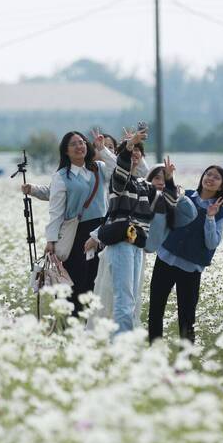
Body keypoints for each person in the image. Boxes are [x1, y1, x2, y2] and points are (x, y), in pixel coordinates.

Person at [41, 130, 143, 317]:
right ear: (66, 151)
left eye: (81, 142)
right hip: (76, 232)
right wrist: (51, 240)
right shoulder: (62, 176)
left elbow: (120, 169)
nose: (79, 146)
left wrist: (102, 148)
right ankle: (69, 323)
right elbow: (56, 211)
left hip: (100, 230)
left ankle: (92, 324)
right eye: (73, 144)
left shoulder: (99, 167)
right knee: (74, 281)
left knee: (98, 279)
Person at [84, 133, 178, 336]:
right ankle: (121, 347)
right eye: (131, 153)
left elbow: (168, 203)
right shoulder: (119, 183)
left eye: (138, 153)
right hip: (122, 242)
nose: (135, 155)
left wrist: (169, 181)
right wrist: (129, 146)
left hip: (136, 245)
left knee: (132, 299)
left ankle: (122, 345)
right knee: (124, 300)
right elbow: (121, 168)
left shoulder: (145, 186)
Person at [91, 164, 197, 323]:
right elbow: (114, 217)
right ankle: (105, 334)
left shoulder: (167, 205)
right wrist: (94, 236)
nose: (160, 182)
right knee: (110, 294)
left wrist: (175, 190)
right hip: (120, 247)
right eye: (156, 178)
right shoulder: (138, 195)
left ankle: (122, 334)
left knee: (130, 298)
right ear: (148, 180)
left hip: (139, 251)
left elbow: (190, 214)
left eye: (164, 178)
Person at [147, 165, 223, 344]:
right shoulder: (187, 195)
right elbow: (168, 212)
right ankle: (154, 354)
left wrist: (210, 217)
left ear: (222, 186)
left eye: (216, 177)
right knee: (155, 309)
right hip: (166, 258)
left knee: (187, 317)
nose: (210, 178)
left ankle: (184, 363)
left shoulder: (220, 212)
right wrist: (169, 179)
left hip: (191, 268)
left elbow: (212, 243)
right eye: (208, 174)